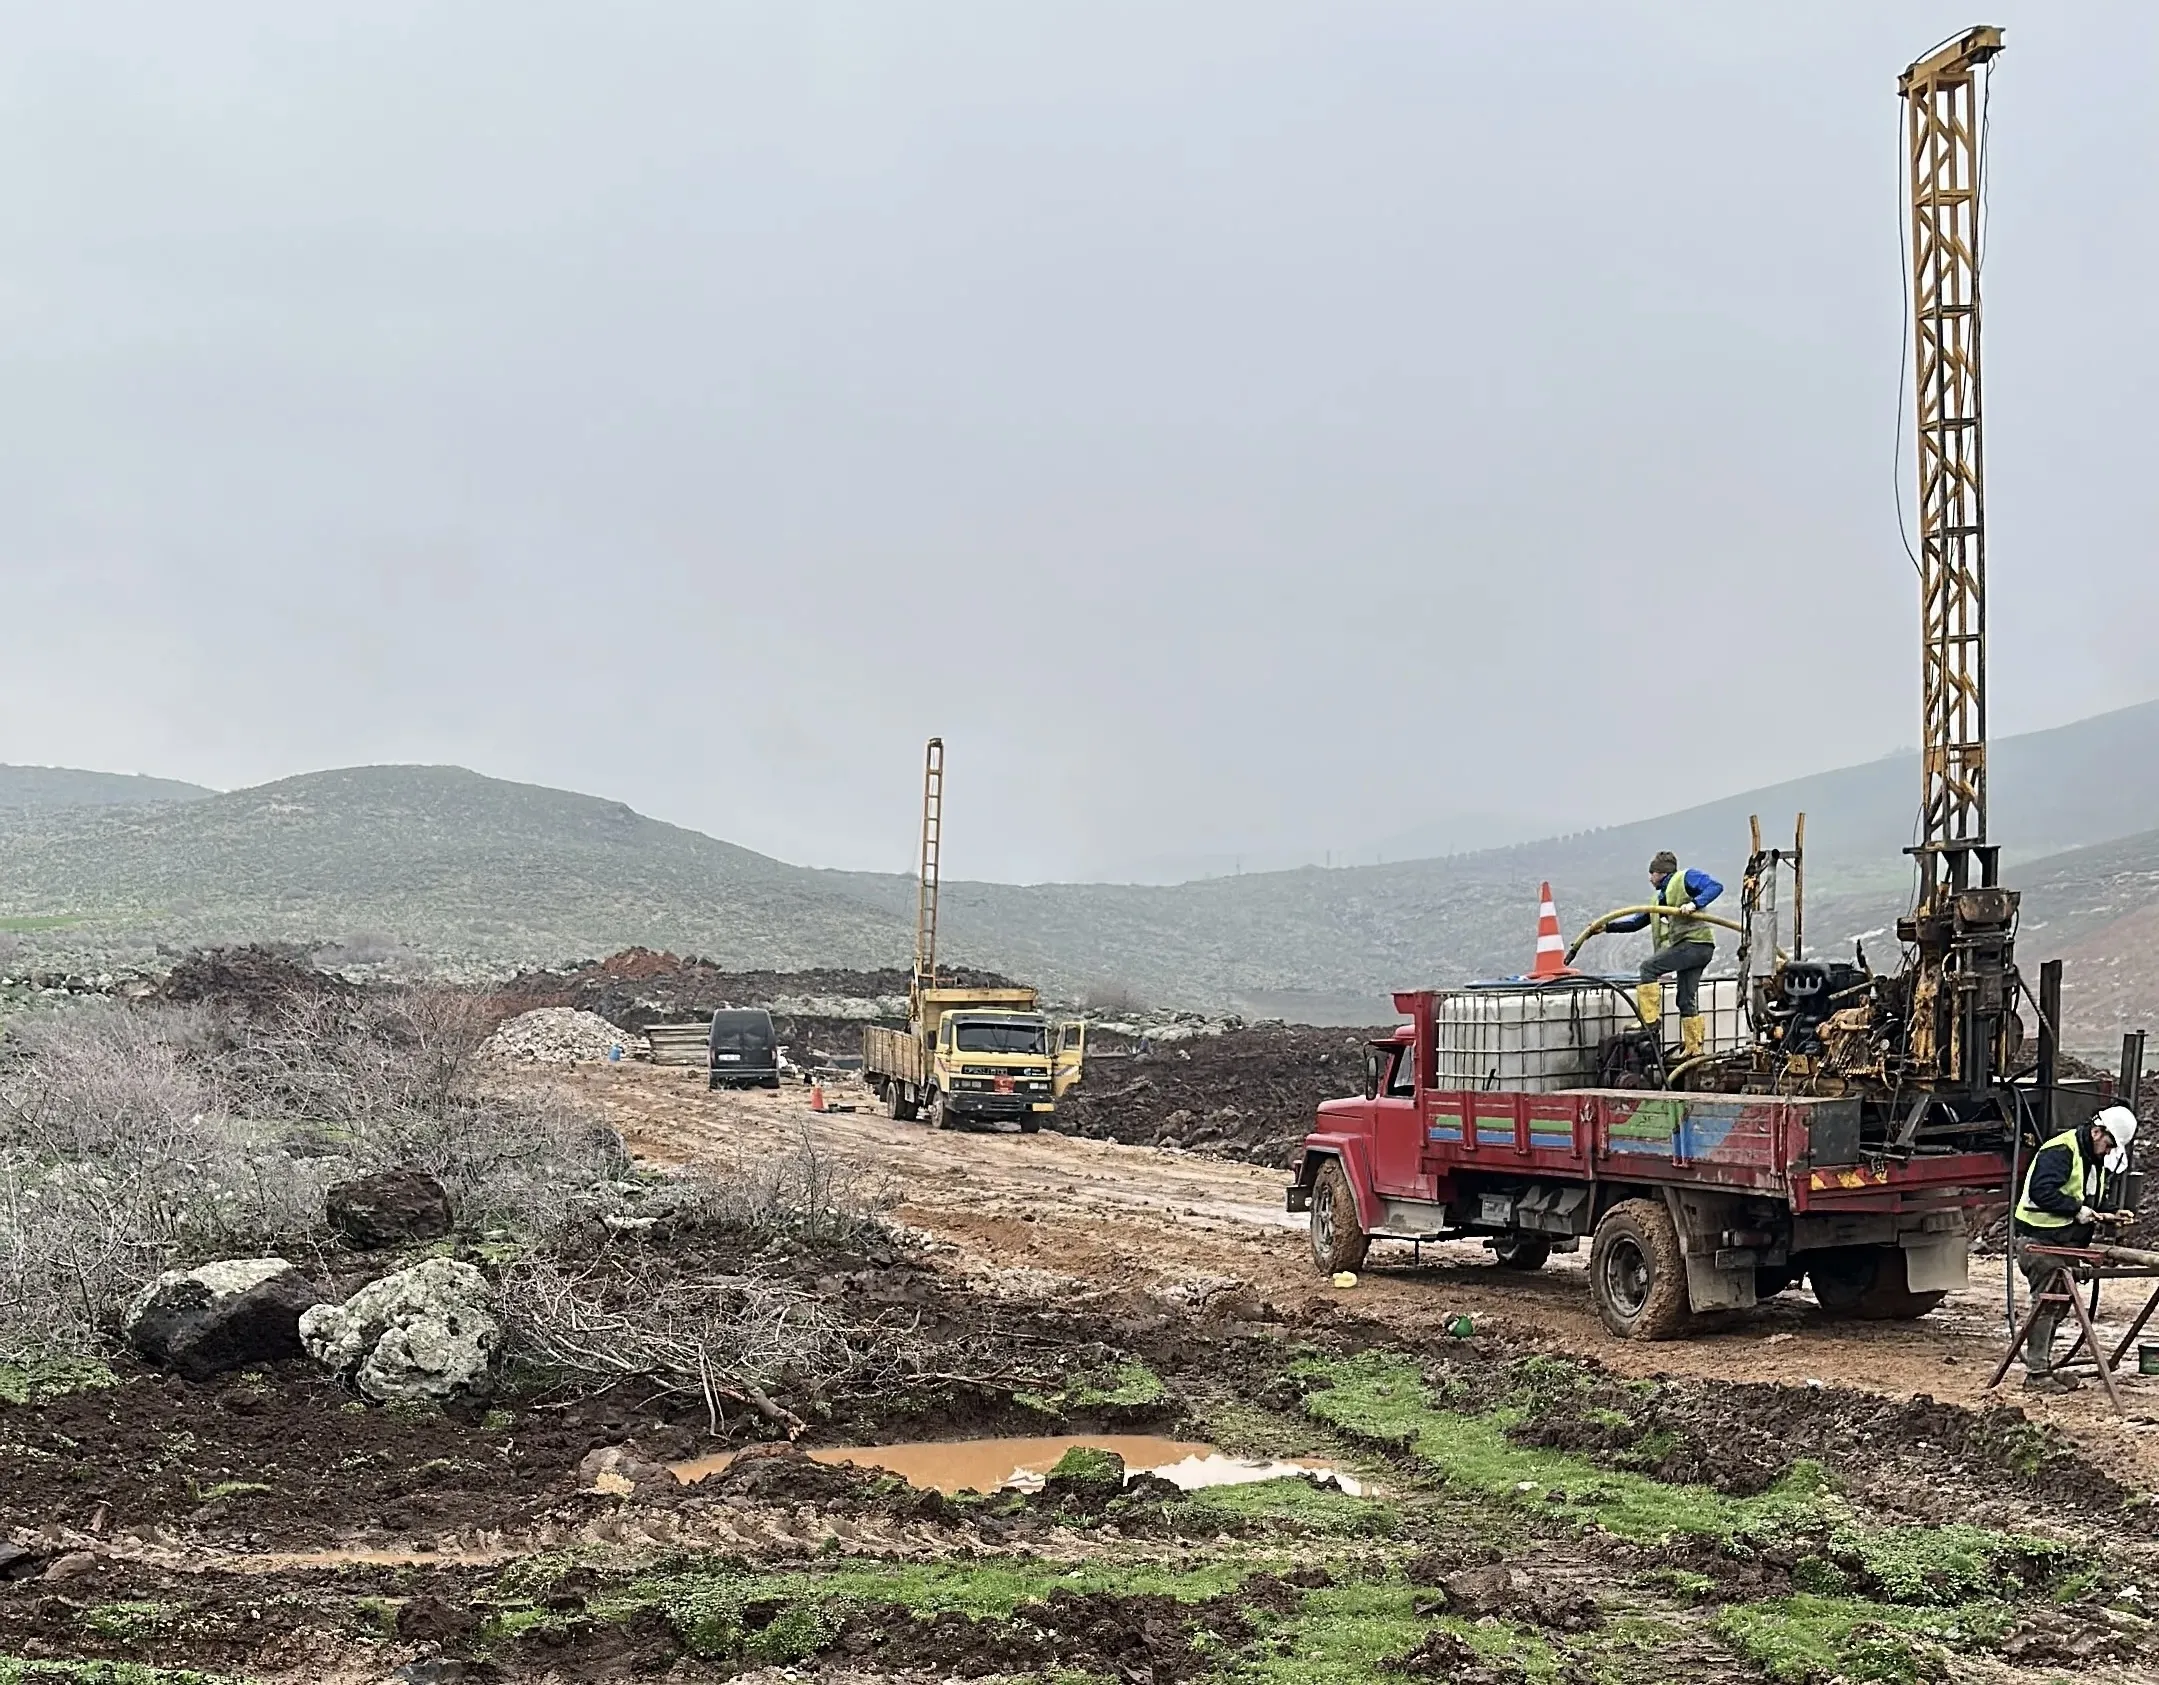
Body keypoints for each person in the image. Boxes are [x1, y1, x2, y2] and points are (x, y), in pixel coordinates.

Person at [2013, 1103, 2138, 1391]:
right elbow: (2041, 1192)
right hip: (2039, 1241)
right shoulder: (2061, 1151)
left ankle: (2042, 1366)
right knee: (2047, 1303)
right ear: (2097, 1132)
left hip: (2064, 1244)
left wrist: (2111, 1212)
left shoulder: (2093, 1160)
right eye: (2108, 1145)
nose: (2108, 1152)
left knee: (2058, 1304)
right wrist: (2075, 1210)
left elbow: (2090, 1199)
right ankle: (2036, 1374)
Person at [1606, 851, 1723, 1061]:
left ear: (1661, 872)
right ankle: (1693, 1048)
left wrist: (1694, 904)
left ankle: (1650, 1022)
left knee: (1648, 968)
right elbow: (1635, 923)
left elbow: (1715, 887)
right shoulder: (1659, 898)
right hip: (1697, 948)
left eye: (1652, 873)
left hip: (1695, 944)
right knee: (1685, 999)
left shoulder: (1685, 878)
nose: (1650, 878)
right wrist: (1606, 927)